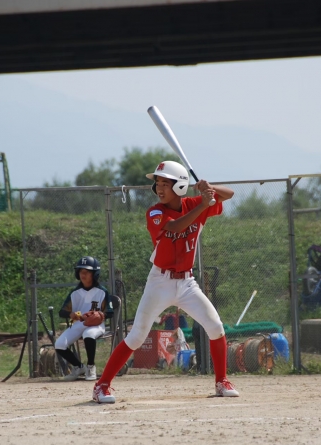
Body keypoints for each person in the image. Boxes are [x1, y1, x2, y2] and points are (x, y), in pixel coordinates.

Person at [92, 160, 238, 404]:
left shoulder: (195, 203)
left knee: (215, 327)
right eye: (157, 183)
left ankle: (221, 381)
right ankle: (101, 385)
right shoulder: (155, 212)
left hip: (187, 282)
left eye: (165, 184)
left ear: (180, 186)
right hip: (160, 281)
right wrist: (203, 204)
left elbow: (229, 194)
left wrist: (207, 188)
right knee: (137, 336)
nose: (159, 188)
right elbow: (175, 227)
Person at [55, 256, 109, 382]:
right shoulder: (75, 293)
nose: (82, 274)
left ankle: (91, 367)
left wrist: (101, 315)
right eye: (80, 271)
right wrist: (71, 314)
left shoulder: (102, 292)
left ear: (95, 274)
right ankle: (79, 367)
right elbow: (62, 312)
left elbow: (109, 311)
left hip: (96, 325)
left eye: (86, 272)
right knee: (59, 344)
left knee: (88, 334)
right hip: (79, 323)